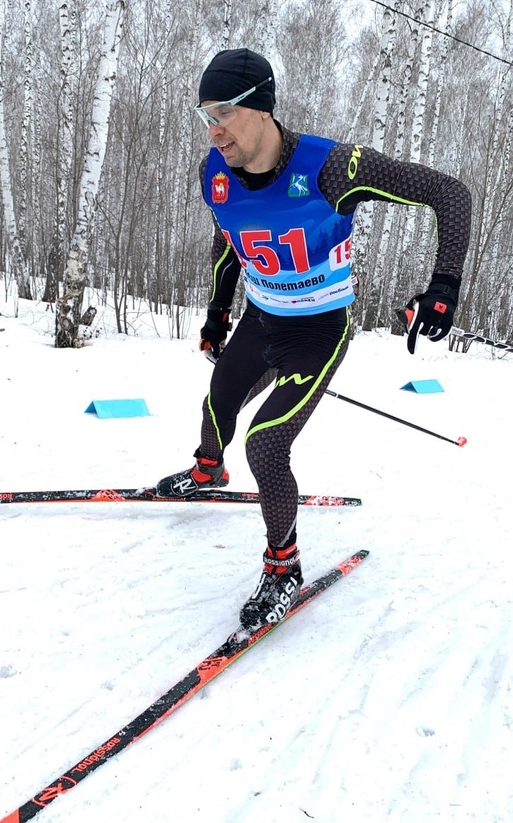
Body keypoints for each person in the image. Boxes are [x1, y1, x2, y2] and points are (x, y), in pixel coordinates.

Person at [156, 48, 471, 632]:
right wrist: (216, 313)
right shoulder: (213, 174)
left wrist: (443, 285)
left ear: (263, 108)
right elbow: (231, 241)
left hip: (319, 330)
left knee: (267, 445)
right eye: (205, 115)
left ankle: (284, 569)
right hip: (261, 316)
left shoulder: (333, 168)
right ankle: (207, 471)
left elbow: (450, 195)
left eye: (223, 112)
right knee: (218, 398)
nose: (213, 129)